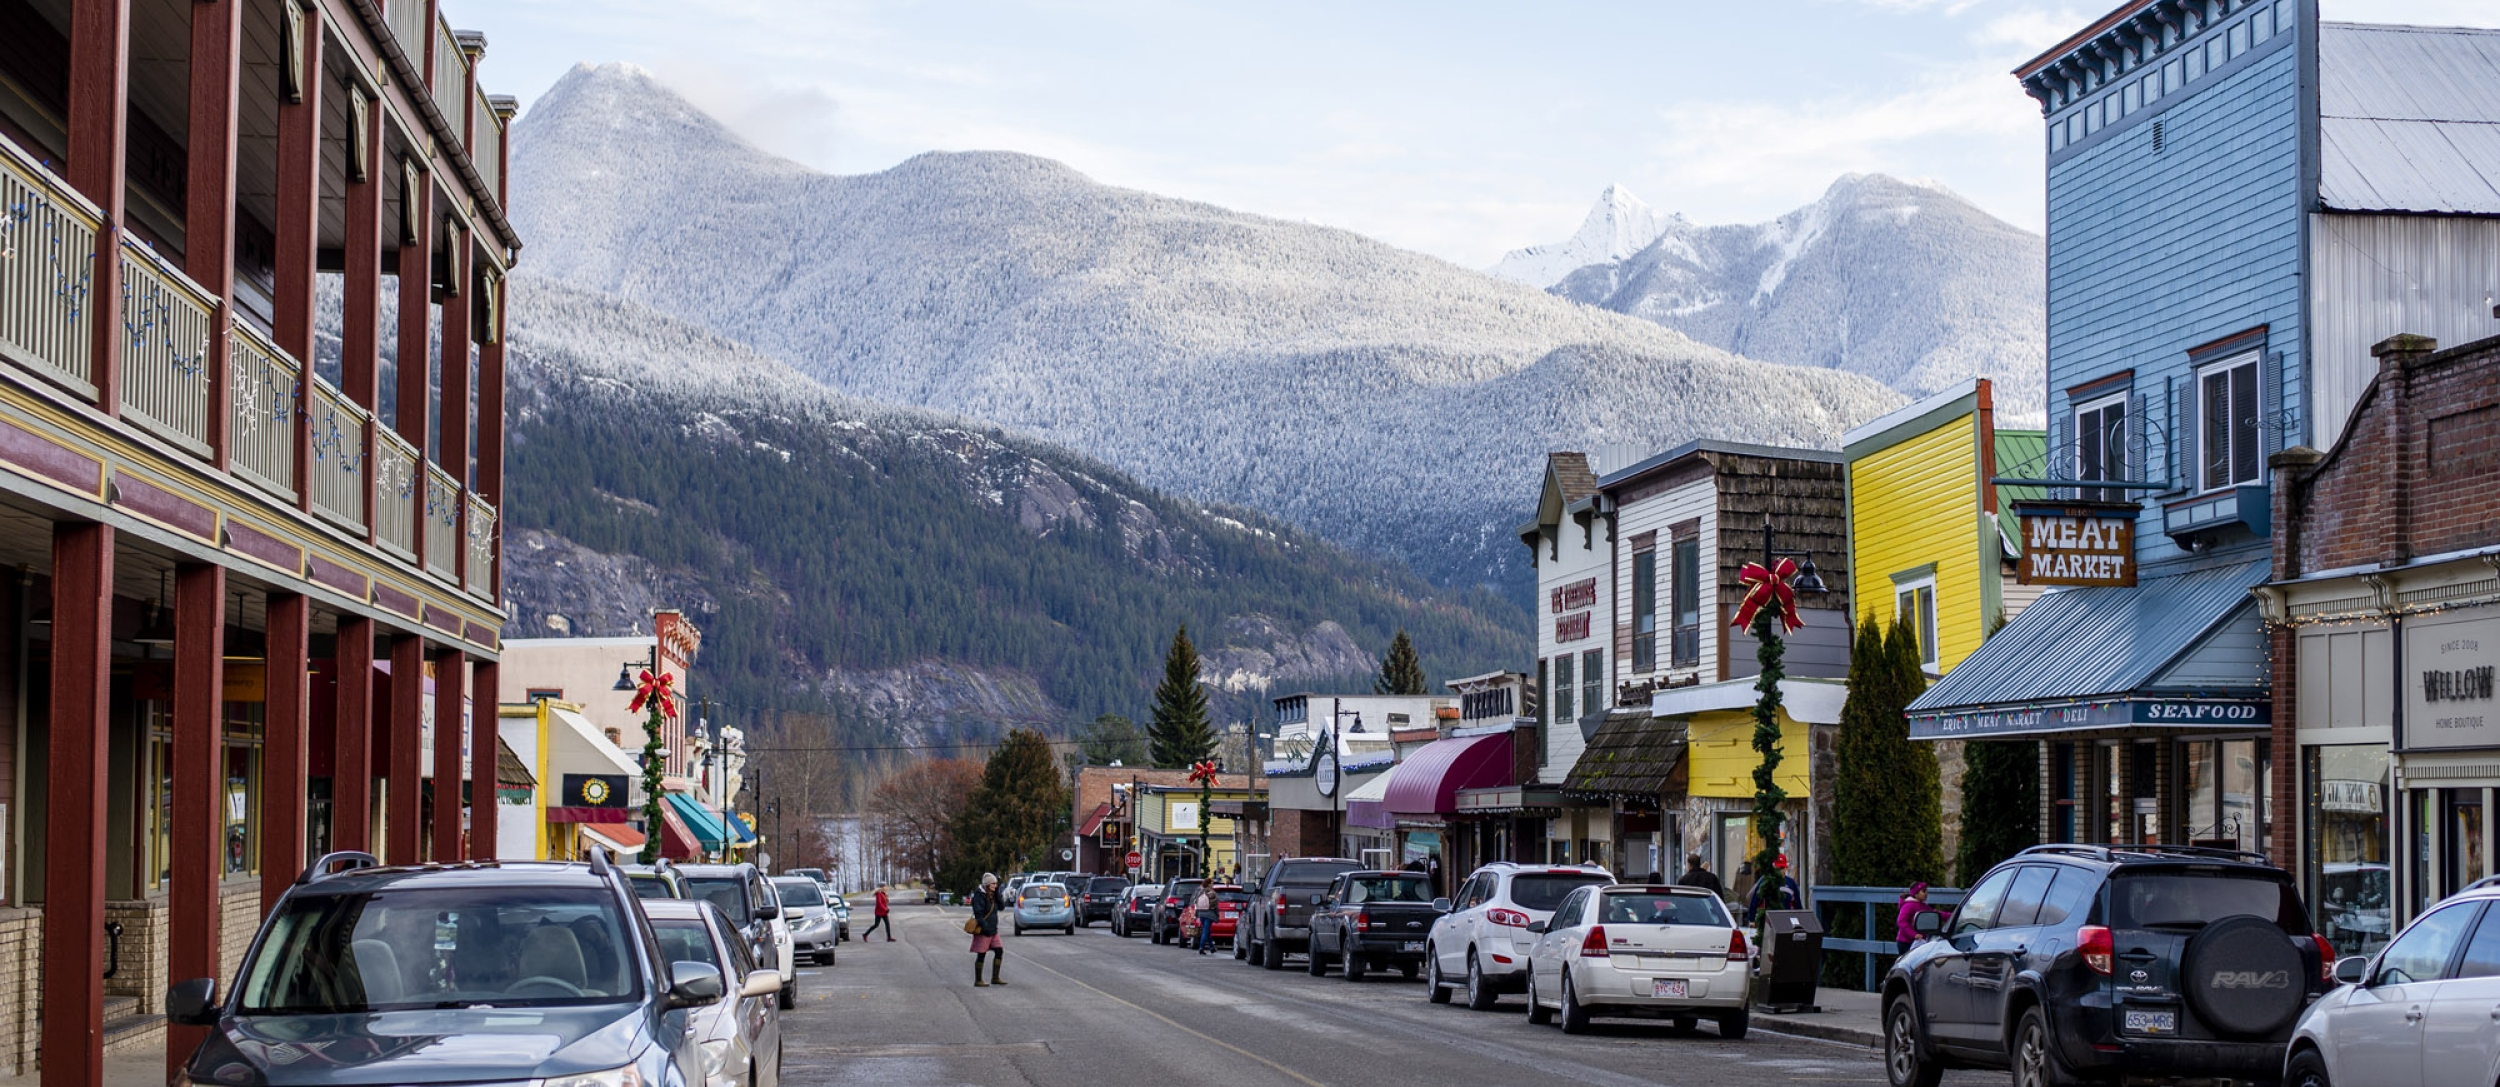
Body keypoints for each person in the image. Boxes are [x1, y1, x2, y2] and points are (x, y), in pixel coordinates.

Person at [967, 873, 1007, 987]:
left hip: (993, 929)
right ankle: (978, 979)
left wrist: (997, 894)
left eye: (996, 884)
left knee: (999, 951)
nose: (995, 886)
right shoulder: (979, 896)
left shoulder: (993, 895)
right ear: (987, 884)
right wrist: (985, 927)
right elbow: (978, 914)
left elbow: (1002, 907)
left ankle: (995, 977)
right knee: (981, 954)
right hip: (984, 930)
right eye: (993, 884)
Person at [1745, 854, 1802, 924]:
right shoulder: (1766, 881)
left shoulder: (1791, 883)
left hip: (1787, 920)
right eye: (1777, 868)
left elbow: (1798, 905)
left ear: (1786, 868)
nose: (1779, 870)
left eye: (1781, 868)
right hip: (1770, 920)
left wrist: (1800, 920)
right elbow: (1754, 901)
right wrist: (1752, 920)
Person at [1896, 881, 1941, 953]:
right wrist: (1914, 934)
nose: (1926, 893)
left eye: (1926, 891)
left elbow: (1935, 914)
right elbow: (1901, 921)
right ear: (1916, 894)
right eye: (1923, 891)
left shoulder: (1923, 906)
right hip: (1906, 942)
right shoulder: (1908, 906)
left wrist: (1953, 916)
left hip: (1918, 941)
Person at [1192, 884, 1217, 955]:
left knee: (1207, 931)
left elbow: (1196, 904)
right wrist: (1217, 917)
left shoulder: (1200, 893)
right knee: (1205, 931)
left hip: (1201, 914)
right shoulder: (1212, 894)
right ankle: (1201, 947)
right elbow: (1215, 906)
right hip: (1209, 915)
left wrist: (1196, 914)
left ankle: (1212, 947)